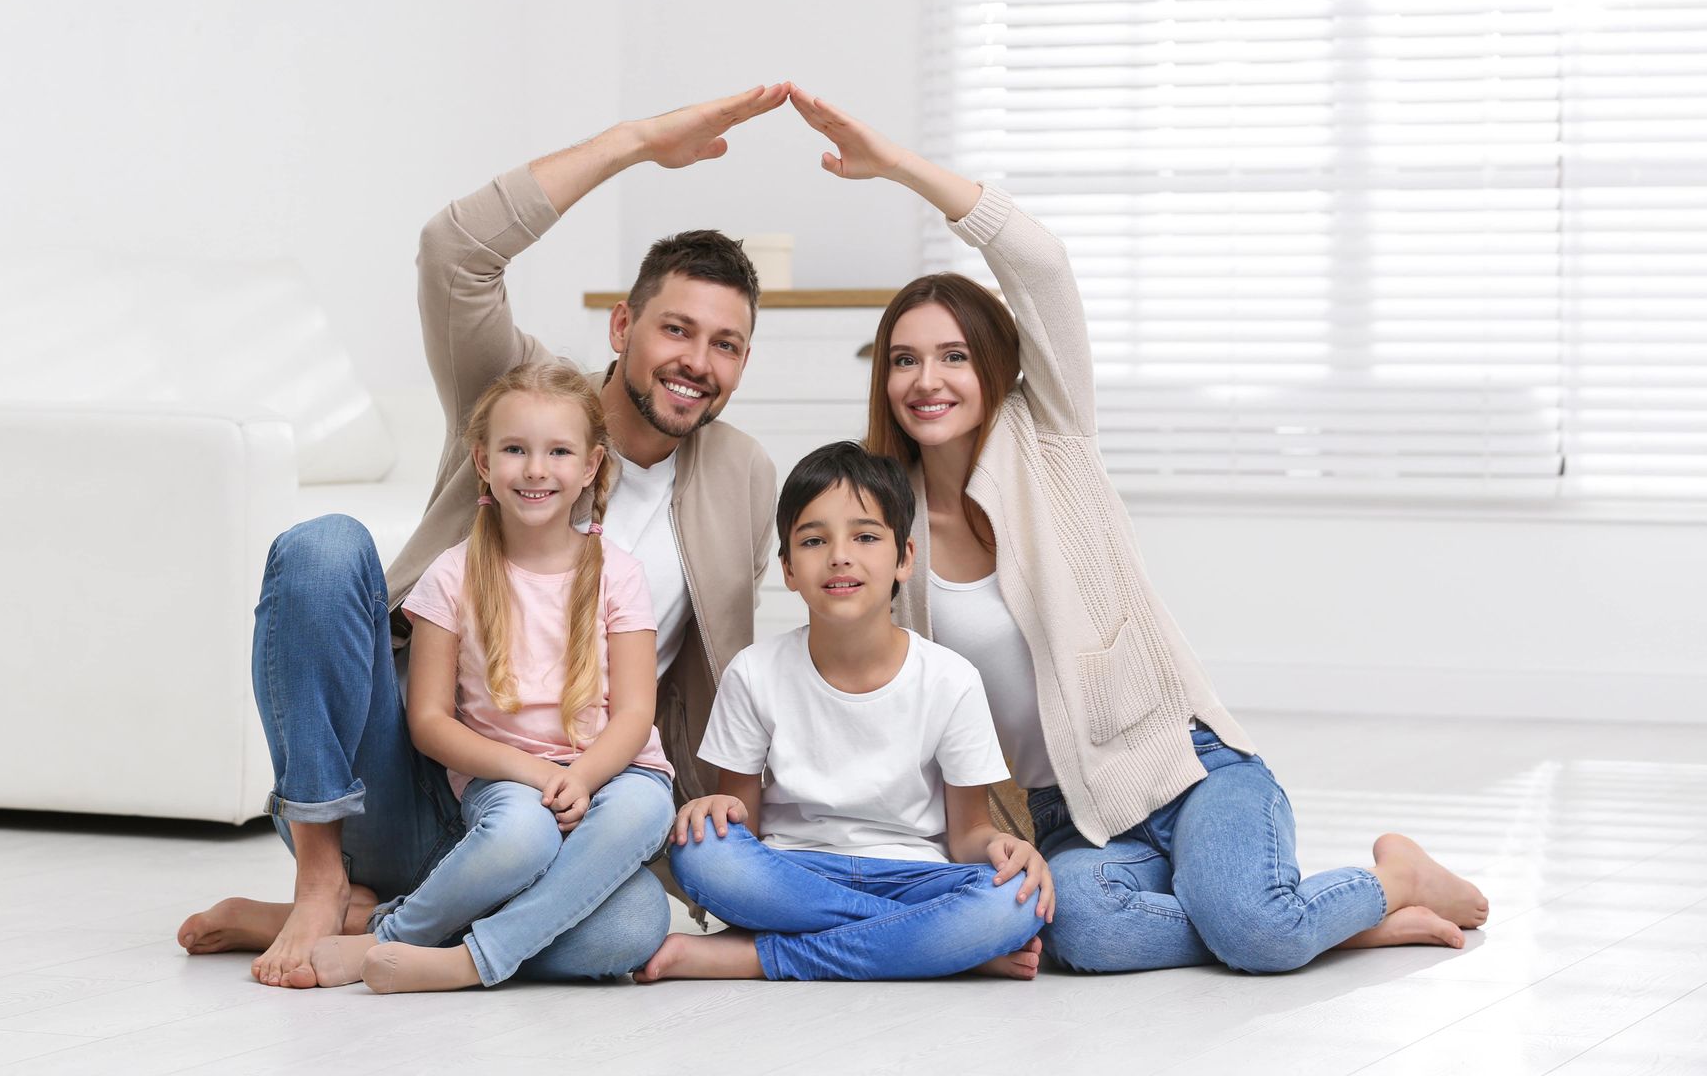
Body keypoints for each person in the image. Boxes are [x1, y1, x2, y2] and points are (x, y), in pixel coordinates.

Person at [785, 84, 1489, 974]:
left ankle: (1382, 881)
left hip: (1183, 769)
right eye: (905, 359)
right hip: (1059, 814)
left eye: (955, 355)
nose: (928, 378)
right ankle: (1314, 917)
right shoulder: (883, 525)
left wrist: (897, 168)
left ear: (994, 365)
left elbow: (1037, 260)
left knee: (1253, 933)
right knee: (1082, 931)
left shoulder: (1052, 437)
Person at [177, 85, 785, 988]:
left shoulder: (743, 476)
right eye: (677, 330)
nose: (699, 362)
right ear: (623, 327)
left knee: (621, 935)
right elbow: (453, 253)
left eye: (727, 345)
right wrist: (638, 142)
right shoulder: (520, 395)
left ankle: (376, 927)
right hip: (409, 767)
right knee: (320, 550)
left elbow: (711, 686)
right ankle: (318, 881)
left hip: (567, 797)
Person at [307, 363, 676, 993]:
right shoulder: (450, 577)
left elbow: (636, 713)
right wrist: (537, 775)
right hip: (507, 785)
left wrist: (582, 778)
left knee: (640, 888)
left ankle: (432, 948)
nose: (536, 469)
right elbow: (427, 722)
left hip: (613, 776)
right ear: (483, 462)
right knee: (521, 835)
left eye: (558, 451)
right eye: (515, 450)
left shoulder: (620, 573)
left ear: (590, 467)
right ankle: (412, 943)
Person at [635, 441, 1053, 983]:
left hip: (915, 876)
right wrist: (714, 809)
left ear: (905, 557)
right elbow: (742, 820)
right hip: (794, 872)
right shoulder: (753, 671)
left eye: (865, 536)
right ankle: (935, 944)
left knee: (1016, 903)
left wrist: (1000, 845)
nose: (839, 555)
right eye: (813, 540)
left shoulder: (951, 678)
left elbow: (968, 835)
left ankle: (760, 957)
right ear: (787, 567)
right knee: (700, 855)